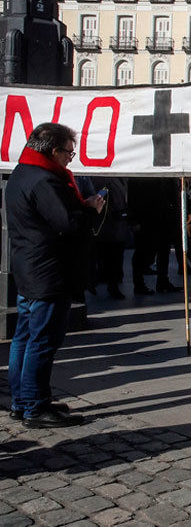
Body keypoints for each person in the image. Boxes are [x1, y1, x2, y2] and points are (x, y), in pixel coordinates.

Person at [7, 123, 103, 427]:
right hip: (48, 273)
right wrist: (90, 209)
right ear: (53, 151)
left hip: (30, 268)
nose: (69, 159)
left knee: (24, 338)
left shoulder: (22, 173)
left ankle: (23, 401)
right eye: (68, 153)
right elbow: (68, 223)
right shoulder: (44, 181)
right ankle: (35, 406)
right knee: (41, 341)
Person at [88, 176, 129, 300]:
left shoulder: (120, 179)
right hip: (108, 226)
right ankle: (103, 283)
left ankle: (109, 283)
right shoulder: (103, 179)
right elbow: (99, 197)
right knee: (108, 258)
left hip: (117, 224)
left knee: (113, 257)